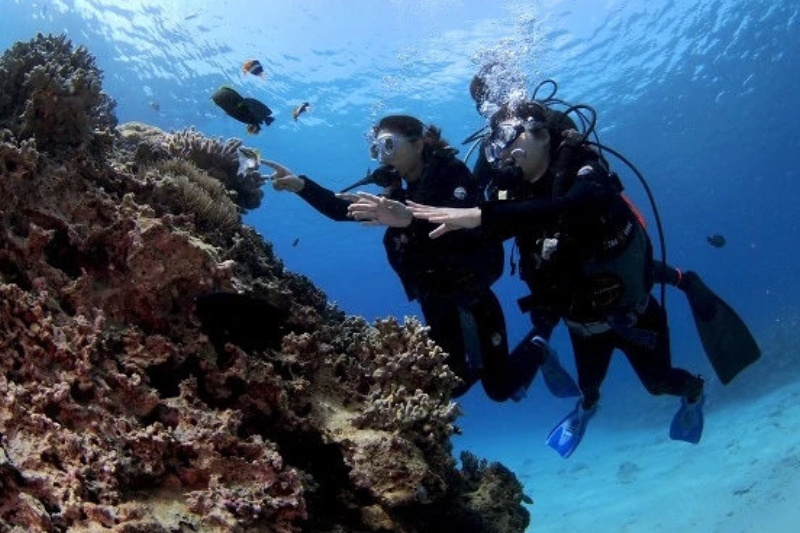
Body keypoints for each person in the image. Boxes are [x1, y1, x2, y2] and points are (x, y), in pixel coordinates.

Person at [408, 100, 710, 457]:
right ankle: (586, 408)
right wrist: (407, 219)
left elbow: (576, 205)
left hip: (634, 313)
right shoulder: (514, 190)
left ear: (542, 134)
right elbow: (484, 232)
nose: (503, 152)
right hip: (581, 322)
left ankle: (694, 391)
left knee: (659, 383)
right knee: (589, 388)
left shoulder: (585, 170)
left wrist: (482, 215)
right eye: (495, 144)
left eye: (507, 138)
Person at [262, 114, 577, 402]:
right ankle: (481, 360)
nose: (383, 156)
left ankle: (541, 336)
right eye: (376, 150)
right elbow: (340, 209)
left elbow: (473, 234)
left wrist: (410, 219)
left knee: (500, 389)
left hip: (472, 297)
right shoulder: (395, 191)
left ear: (418, 142)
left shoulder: (451, 174)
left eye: (388, 145)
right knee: (447, 386)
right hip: (435, 302)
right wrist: (301, 185)